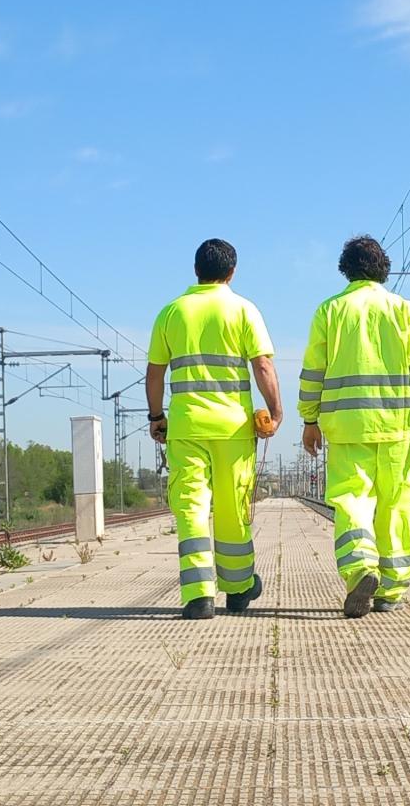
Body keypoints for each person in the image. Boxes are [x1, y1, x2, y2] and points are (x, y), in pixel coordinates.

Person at [297, 235, 410, 617]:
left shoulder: (330, 311)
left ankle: (361, 566)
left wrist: (309, 419)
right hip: (395, 427)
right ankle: (391, 590)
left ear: (346, 269)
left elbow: (313, 372)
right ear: (383, 269)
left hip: (345, 426)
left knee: (352, 500)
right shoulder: (403, 309)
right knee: (395, 506)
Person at [147, 239, 282, 620]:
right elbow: (264, 367)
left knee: (190, 507)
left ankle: (198, 596)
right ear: (232, 271)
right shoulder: (243, 310)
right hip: (233, 429)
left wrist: (156, 417)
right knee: (232, 509)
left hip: (187, 427)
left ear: (195, 270)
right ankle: (239, 590)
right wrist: (276, 410)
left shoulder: (171, 312)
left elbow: (155, 372)